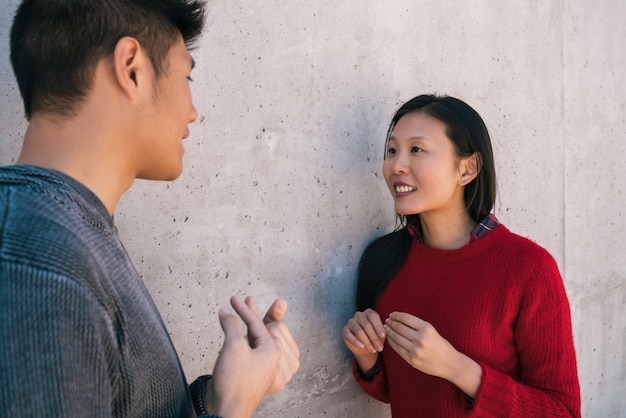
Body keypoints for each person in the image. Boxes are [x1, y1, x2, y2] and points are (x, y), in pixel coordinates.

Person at [0, 1, 299, 417]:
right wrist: (233, 408)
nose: (194, 112)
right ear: (132, 68)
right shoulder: (36, 261)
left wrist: (211, 399)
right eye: (186, 76)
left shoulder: (61, 234)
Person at [342, 94, 580, 417]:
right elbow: (392, 391)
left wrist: (458, 369)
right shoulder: (382, 260)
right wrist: (366, 356)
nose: (396, 165)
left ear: (467, 169)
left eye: (416, 149)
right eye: (392, 150)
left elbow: (562, 412)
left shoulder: (529, 269)